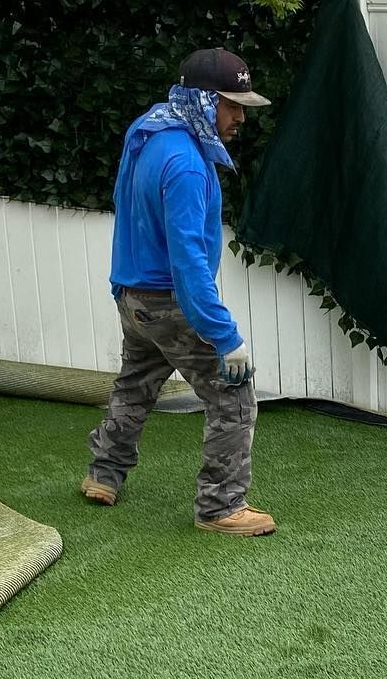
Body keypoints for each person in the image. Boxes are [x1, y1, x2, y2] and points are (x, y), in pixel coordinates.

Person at [83, 48, 276, 536]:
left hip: (133, 297)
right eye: (231, 106)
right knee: (234, 396)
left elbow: (125, 208)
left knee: (136, 384)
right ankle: (220, 507)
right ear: (204, 100)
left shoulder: (149, 130)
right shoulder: (188, 166)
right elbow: (188, 265)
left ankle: (103, 474)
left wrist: (121, 287)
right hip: (170, 303)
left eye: (243, 107)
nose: (239, 118)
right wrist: (225, 337)